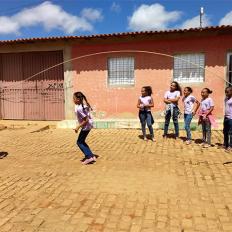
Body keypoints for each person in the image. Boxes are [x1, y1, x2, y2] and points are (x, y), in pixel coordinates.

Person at [73, 91, 96, 164]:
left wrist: (78, 127)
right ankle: (92, 156)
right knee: (82, 141)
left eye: (74, 98)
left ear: (78, 100)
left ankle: (88, 157)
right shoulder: (83, 106)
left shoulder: (80, 108)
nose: (73, 100)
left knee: (79, 142)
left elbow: (86, 120)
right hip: (89, 125)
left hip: (86, 126)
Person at [223, 86, 232, 151]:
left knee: (231, 132)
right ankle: (225, 144)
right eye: (225, 92)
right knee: (225, 131)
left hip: (231, 118)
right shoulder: (226, 99)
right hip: (226, 117)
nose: (226, 93)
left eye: (227, 92)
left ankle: (230, 146)